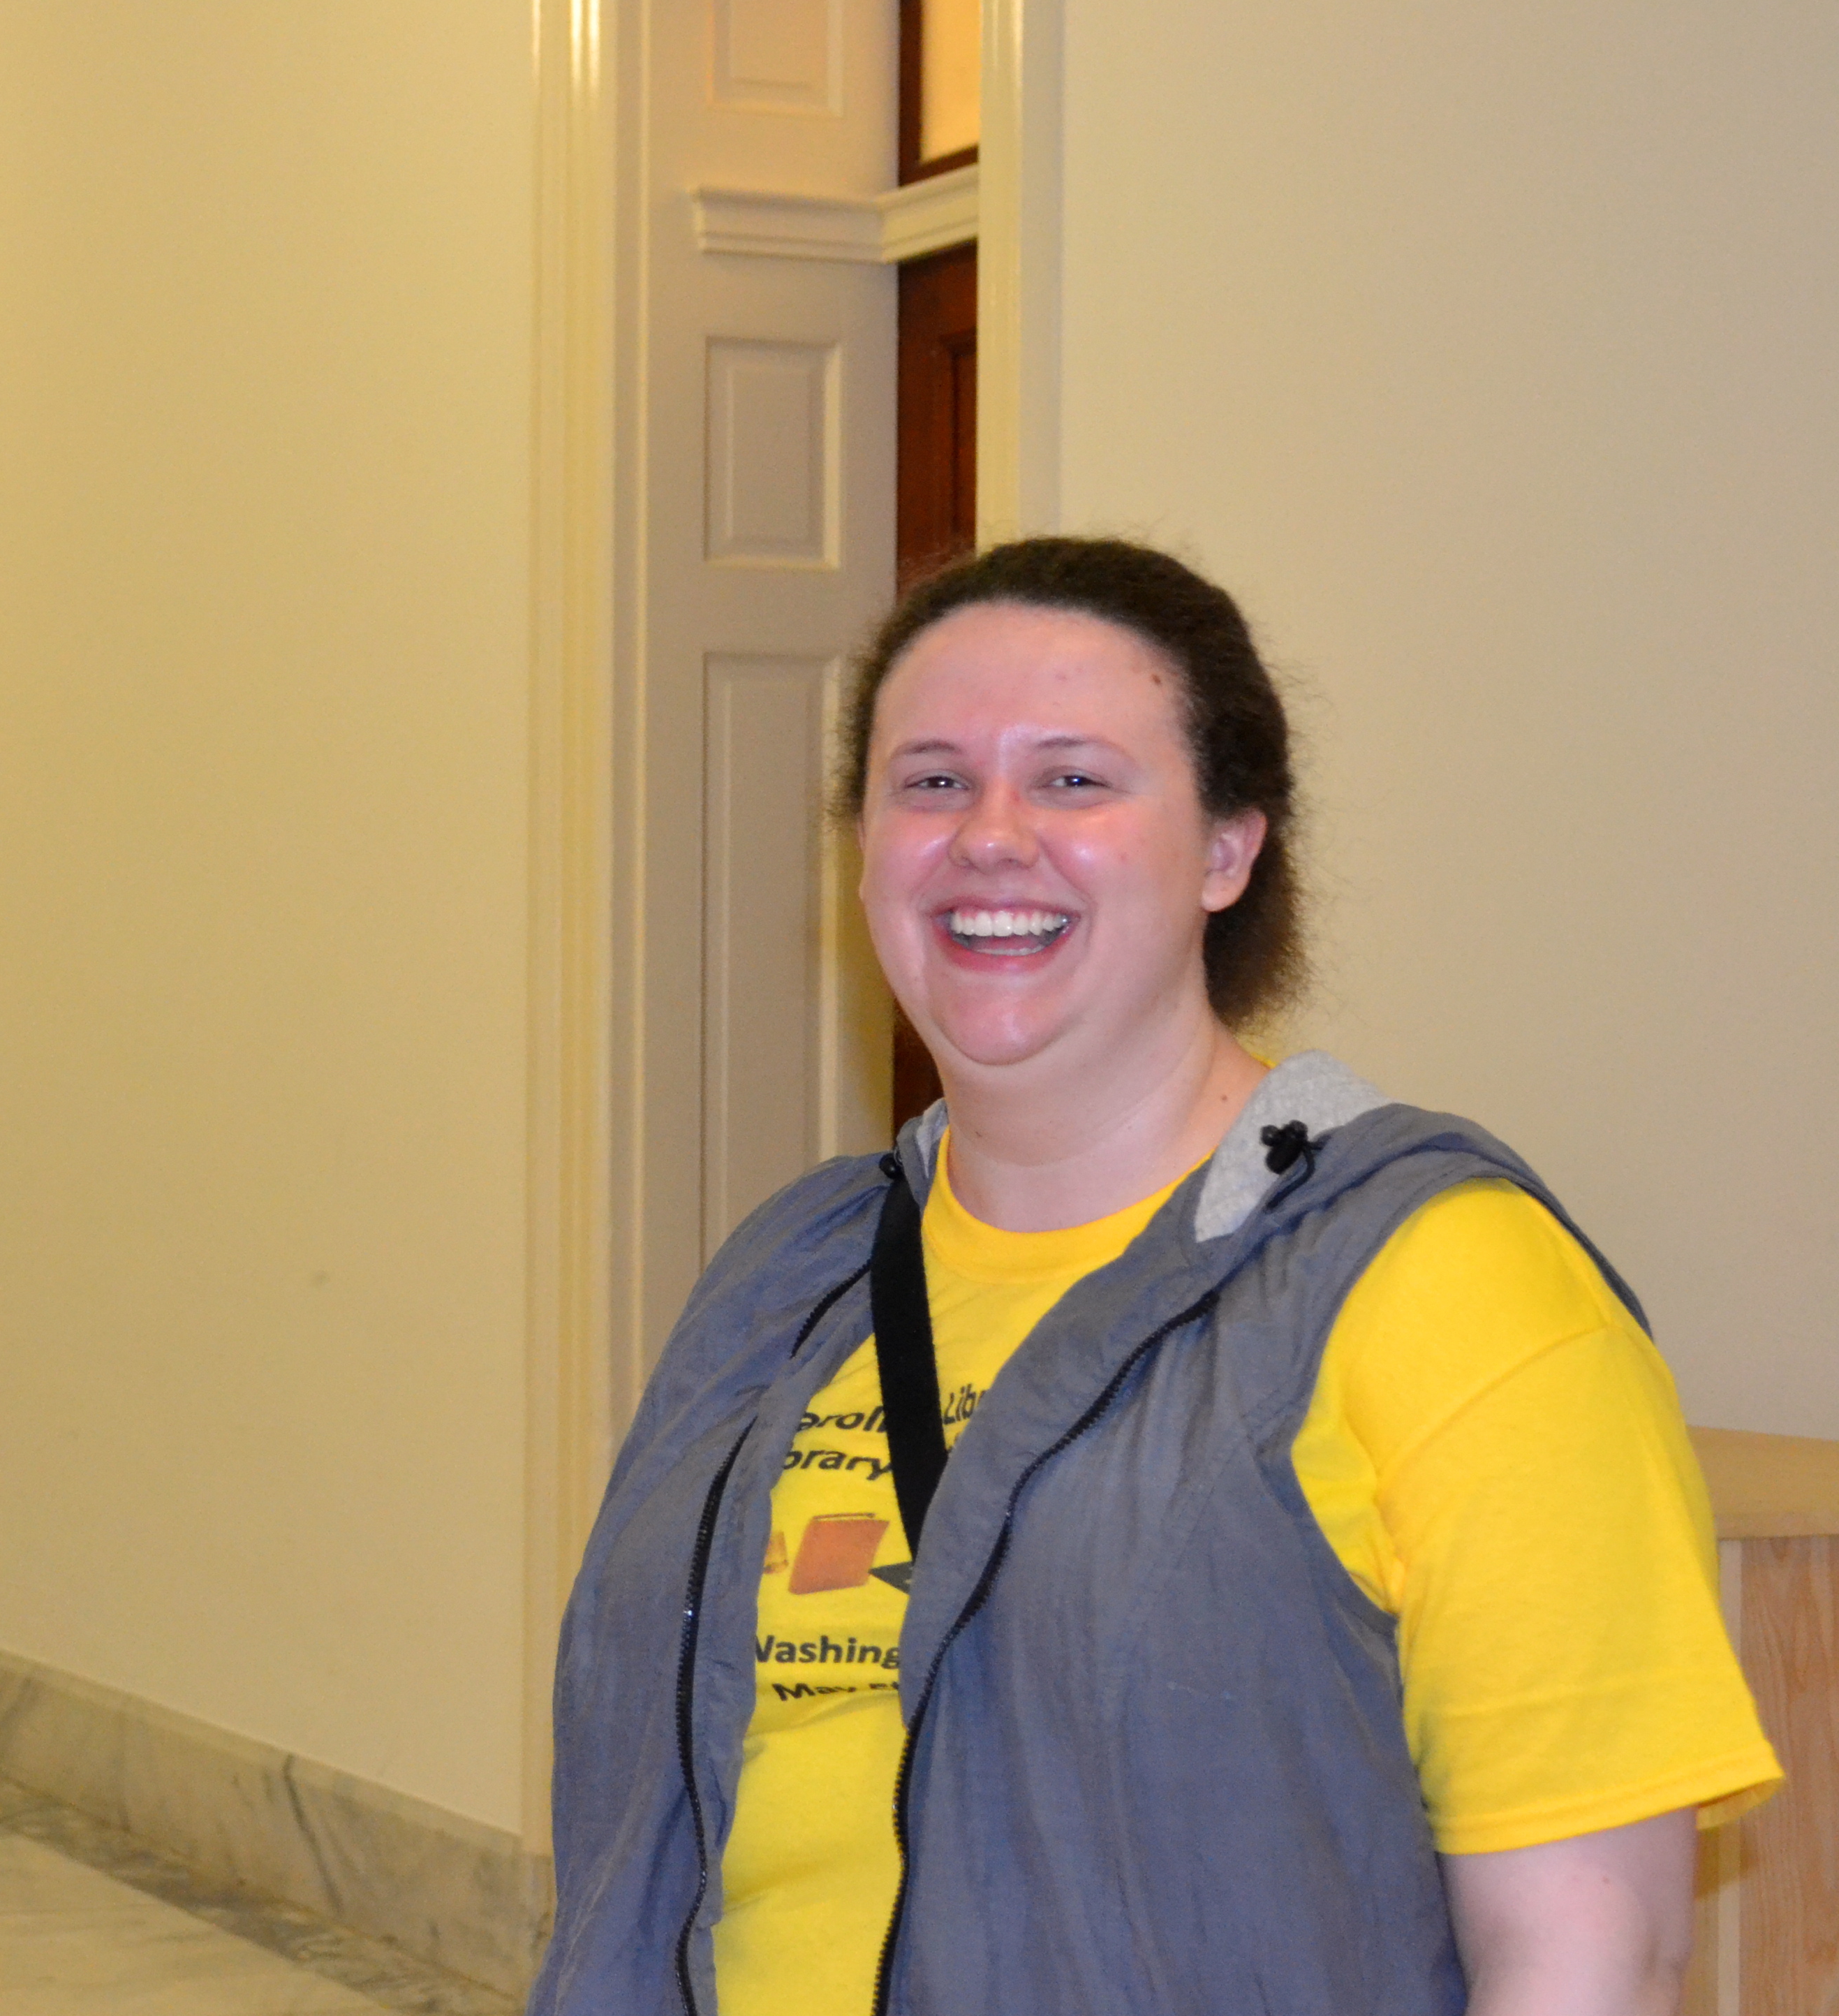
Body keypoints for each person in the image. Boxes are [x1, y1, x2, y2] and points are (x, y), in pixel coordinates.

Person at [533, 538, 1779, 2016]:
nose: (990, 834)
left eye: (1073, 779)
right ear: (862, 850)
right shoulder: (791, 1276)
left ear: (1227, 850)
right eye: (930, 781)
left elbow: (1588, 1958)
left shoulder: (1447, 1283)